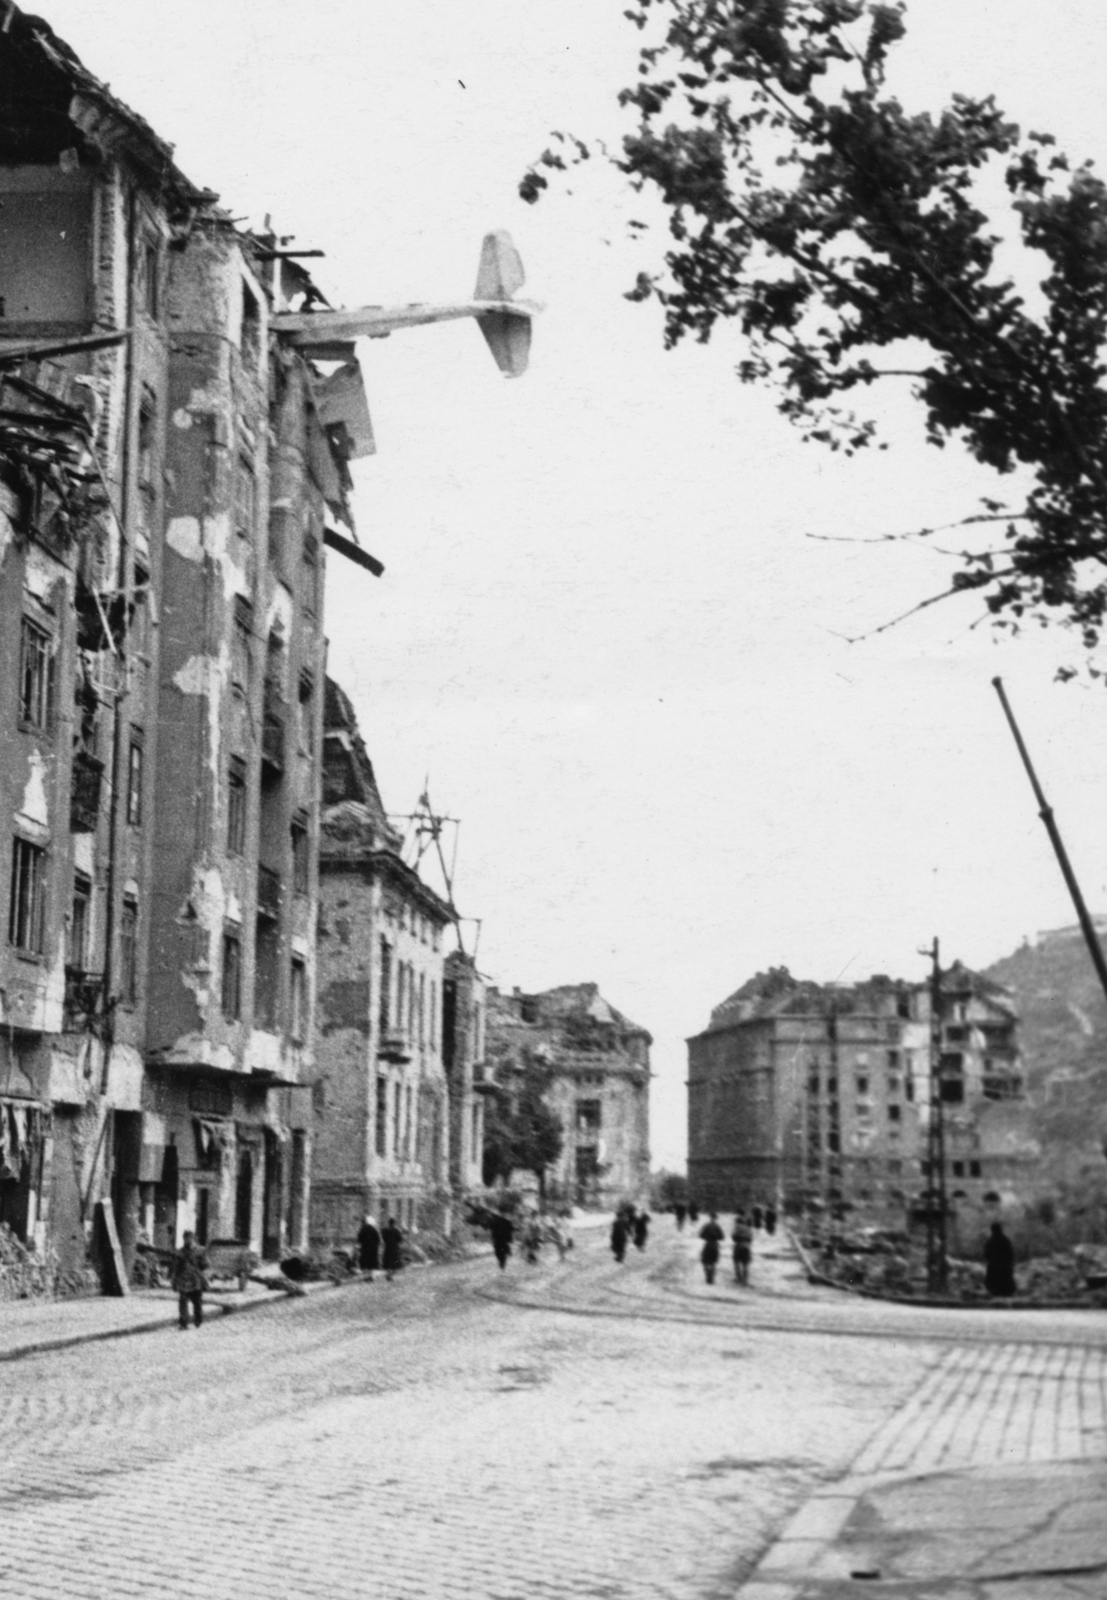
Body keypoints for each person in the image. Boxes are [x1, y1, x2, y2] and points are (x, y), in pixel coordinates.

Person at [172, 1230, 209, 1330]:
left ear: (193, 1238)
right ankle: (183, 1323)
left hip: (196, 1280)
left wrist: (200, 1264)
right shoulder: (179, 1252)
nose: (187, 1240)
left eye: (189, 1238)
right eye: (185, 1238)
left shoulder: (201, 1250)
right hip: (183, 1280)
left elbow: (206, 1265)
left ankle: (198, 1320)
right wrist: (174, 1281)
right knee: (183, 1302)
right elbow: (175, 1268)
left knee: (197, 1302)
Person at [984, 1221, 1016, 1297]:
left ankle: (998, 1292)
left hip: (996, 1266)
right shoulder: (1005, 1240)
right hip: (1003, 1266)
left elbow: (987, 1254)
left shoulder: (991, 1241)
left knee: (997, 1282)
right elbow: (1010, 1253)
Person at [699, 1212, 724, 1285]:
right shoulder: (718, 1226)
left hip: (708, 1243)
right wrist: (716, 1237)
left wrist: (707, 1237)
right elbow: (722, 1237)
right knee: (713, 1261)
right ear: (716, 1218)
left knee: (705, 1260)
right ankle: (711, 1278)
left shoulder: (706, 1225)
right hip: (715, 1244)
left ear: (710, 1217)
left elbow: (701, 1235)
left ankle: (707, 1276)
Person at [731, 1212, 753, 1285]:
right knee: (745, 1264)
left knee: (736, 1261)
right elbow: (751, 1239)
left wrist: (738, 1239)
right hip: (747, 1246)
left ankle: (738, 1278)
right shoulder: (748, 1228)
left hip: (739, 1245)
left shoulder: (737, 1226)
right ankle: (745, 1280)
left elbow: (733, 1237)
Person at [357, 1214, 381, 1278]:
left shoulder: (362, 1230)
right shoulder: (373, 1229)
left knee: (365, 1263)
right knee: (372, 1263)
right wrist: (375, 1245)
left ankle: (366, 1276)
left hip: (365, 1248)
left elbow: (359, 1239)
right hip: (373, 1249)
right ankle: (371, 1276)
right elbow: (378, 1239)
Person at [382, 1216, 403, 1281]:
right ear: (394, 1223)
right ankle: (389, 1275)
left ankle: (388, 1274)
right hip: (394, 1248)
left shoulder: (385, 1230)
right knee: (395, 1263)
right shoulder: (396, 1231)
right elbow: (400, 1239)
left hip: (388, 1248)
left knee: (388, 1263)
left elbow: (384, 1239)